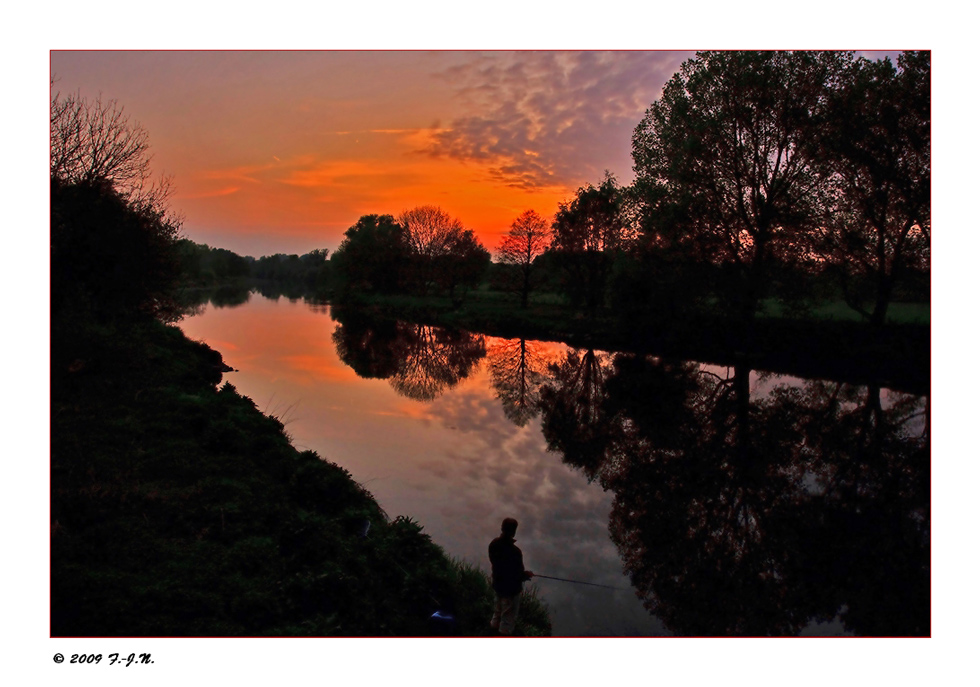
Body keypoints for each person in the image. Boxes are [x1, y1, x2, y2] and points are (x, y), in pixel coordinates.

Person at [488, 517, 533, 635]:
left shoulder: (493, 544)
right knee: (507, 619)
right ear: (514, 532)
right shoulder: (515, 552)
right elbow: (517, 574)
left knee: (497, 612)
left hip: (497, 585)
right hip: (511, 591)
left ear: (502, 528)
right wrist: (526, 575)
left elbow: (498, 565)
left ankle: (491, 632)